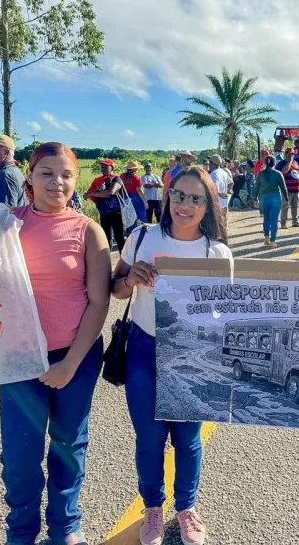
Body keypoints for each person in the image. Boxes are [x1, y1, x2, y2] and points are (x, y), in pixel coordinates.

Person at [112, 167, 231, 545]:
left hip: (192, 355)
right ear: (167, 196)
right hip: (145, 351)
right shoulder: (142, 237)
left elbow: (227, 313)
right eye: (179, 195)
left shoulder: (218, 252)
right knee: (149, 440)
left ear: (208, 205)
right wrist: (131, 280)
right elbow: (114, 289)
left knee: (187, 440)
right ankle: (152, 509)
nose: (185, 204)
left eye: (196, 198)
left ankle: (186, 508)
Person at [2, 142, 111, 545]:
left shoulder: (88, 230)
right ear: (28, 176)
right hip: (19, 358)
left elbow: (99, 303)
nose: (57, 181)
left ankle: (65, 527)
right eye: (47, 172)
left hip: (76, 357)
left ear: (75, 179)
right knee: (19, 455)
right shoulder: (6, 225)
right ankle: (21, 531)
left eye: (65, 174)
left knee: (69, 444)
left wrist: (69, 364)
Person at [85, 159, 126, 253]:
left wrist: (95, 193)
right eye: (102, 166)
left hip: (116, 213)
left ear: (112, 167)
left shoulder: (116, 179)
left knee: (119, 237)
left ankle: (124, 262)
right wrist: (97, 190)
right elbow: (86, 195)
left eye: (105, 166)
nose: (103, 168)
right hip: (103, 213)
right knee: (106, 238)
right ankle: (107, 262)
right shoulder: (97, 181)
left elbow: (111, 192)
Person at [253, 154, 289, 248]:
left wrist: (254, 198)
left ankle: (266, 238)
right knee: (274, 220)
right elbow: (283, 187)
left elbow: (256, 187)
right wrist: (286, 198)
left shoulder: (260, 174)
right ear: (274, 163)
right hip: (275, 197)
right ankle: (273, 241)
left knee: (266, 219)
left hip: (264, 198)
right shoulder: (278, 174)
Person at [275, 147, 299, 228]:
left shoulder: (296, 163)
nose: (291, 156)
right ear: (286, 154)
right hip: (287, 190)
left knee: (295, 206)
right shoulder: (282, 163)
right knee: (285, 206)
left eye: (293, 154)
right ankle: (283, 223)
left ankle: (295, 221)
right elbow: (284, 171)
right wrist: (289, 162)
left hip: (296, 190)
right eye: (290, 154)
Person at [121, 161, 148, 232]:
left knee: (131, 217)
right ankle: (144, 231)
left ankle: (132, 233)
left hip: (126, 198)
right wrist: (145, 202)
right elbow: (139, 190)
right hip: (135, 197)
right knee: (142, 216)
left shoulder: (122, 176)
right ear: (135, 169)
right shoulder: (135, 177)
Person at [208, 154, 232, 232]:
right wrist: (227, 192)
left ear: (212, 163)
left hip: (217, 204)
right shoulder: (223, 172)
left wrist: (220, 194)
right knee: (224, 226)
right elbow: (231, 183)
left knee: (218, 227)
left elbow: (214, 189)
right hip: (224, 203)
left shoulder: (214, 174)